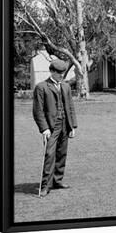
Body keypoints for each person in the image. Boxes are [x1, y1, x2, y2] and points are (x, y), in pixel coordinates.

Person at [32, 59, 78, 197]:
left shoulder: (66, 86)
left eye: (62, 73)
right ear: (51, 71)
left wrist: (72, 126)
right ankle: (45, 185)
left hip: (65, 124)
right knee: (50, 155)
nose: (61, 75)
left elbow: (70, 107)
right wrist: (44, 128)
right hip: (51, 127)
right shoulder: (41, 87)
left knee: (62, 154)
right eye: (58, 73)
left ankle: (57, 181)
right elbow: (37, 111)